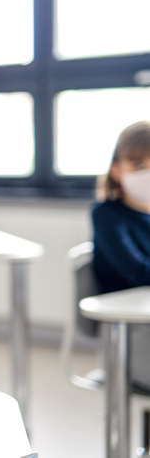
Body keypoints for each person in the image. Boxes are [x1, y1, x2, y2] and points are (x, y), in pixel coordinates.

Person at [92, 120, 150, 392]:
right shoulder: (107, 216)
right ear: (116, 170)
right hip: (131, 331)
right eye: (138, 165)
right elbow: (139, 273)